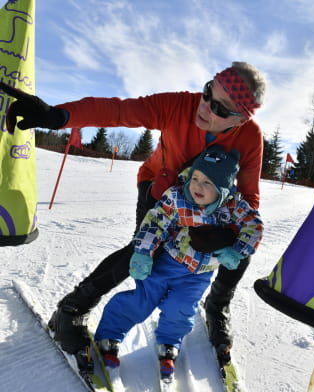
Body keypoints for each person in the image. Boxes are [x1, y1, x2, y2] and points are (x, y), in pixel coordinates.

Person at [0, 61, 266, 365]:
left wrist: (229, 234)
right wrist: (60, 115)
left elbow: (249, 196)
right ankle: (71, 310)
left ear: (240, 119)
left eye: (220, 108)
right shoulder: (179, 105)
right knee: (141, 250)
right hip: (159, 188)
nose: (205, 107)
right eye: (208, 92)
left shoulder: (249, 137)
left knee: (241, 250)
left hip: (208, 201)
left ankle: (217, 307)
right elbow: (119, 110)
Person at [93, 144, 263, 380]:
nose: (197, 186)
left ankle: (169, 342)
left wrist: (237, 251)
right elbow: (155, 222)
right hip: (168, 263)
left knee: (181, 309)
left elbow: (254, 226)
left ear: (223, 188)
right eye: (196, 178)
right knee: (142, 301)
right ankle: (109, 335)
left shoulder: (232, 206)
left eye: (207, 183)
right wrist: (143, 252)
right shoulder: (178, 197)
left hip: (199, 274)